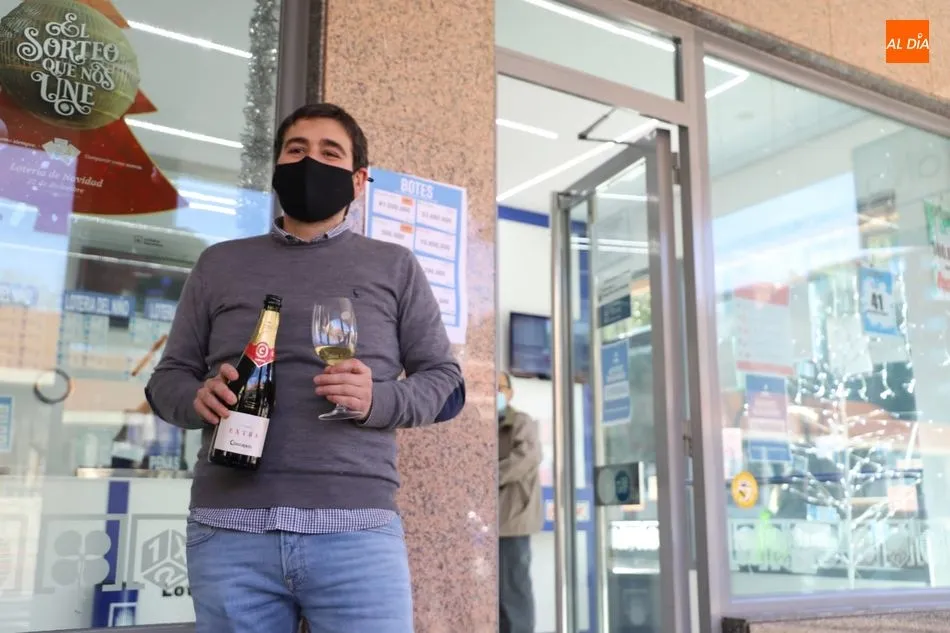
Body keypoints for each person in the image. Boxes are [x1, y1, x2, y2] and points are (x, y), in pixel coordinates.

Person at [145, 103, 466, 633]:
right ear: (276, 169)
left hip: (356, 532)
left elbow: (446, 383)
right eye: (296, 150)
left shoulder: (395, 266)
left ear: (358, 180)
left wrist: (378, 399)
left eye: (329, 152)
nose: (309, 161)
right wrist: (195, 398)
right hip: (229, 533)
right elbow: (167, 381)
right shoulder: (219, 264)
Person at [497, 371, 542, 633]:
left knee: (513, 594)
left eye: (500, 387)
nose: (495, 392)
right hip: (492, 525)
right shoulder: (482, 424)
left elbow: (524, 461)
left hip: (514, 521)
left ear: (510, 393)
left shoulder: (521, 423)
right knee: (497, 597)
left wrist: (485, 476)